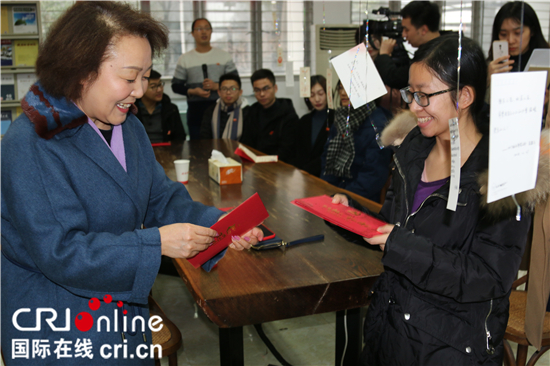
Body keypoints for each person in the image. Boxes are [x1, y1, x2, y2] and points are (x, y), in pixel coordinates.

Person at [1, 3, 261, 365]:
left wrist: (220, 227)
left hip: (121, 317)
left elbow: (161, 200)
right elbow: (62, 253)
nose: (140, 90)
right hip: (59, 323)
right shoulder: (31, 143)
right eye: (129, 76)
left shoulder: (127, 127)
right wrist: (155, 243)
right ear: (81, 71)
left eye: (147, 76)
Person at [333, 34, 538, 365]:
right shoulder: (414, 146)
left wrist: (399, 245)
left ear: (465, 95)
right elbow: (392, 225)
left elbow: (488, 277)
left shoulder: (504, 173)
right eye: (411, 93)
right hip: (391, 328)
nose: (414, 106)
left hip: (449, 348)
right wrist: (349, 215)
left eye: (425, 96)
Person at [320, 81, 393, 203]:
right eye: (340, 88)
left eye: (349, 88)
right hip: (335, 193)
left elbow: (373, 175)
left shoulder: (378, 126)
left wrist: (345, 196)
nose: (343, 93)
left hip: (361, 200)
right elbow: (327, 158)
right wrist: (327, 189)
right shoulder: (341, 117)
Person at [172, 18, 238, 140]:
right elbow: (176, 86)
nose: (203, 32)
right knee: (197, 150)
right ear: (192, 33)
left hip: (222, 112)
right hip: (196, 113)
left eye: (207, 28)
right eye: (199, 29)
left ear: (211, 31)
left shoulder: (224, 56)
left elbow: (236, 82)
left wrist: (217, 86)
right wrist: (193, 91)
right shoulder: (185, 59)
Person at [373, 1, 441, 90]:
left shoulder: (435, 56)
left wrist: (384, 55)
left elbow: (397, 78)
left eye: (406, 30)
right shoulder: (437, 46)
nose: (403, 35)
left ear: (424, 30)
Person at [240, 69, 299, 164]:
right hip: (255, 165)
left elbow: (287, 151)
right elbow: (247, 144)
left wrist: (262, 161)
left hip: (280, 168)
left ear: (275, 88)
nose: (262, 94)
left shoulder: (288, 114)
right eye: (257, 90)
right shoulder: (252, 112)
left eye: (266, 88)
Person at [487, 2, 550, 86]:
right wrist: (487, 82)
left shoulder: (546, 61)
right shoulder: (491, 67)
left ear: (532, 31)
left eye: (517, 33)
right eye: (503, 34)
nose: (511, 40)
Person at [293, 75, 334, 177]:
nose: (317, 99)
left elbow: (330, 155)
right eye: (312, 95)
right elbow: (297, 152)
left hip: (326, 175)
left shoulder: (336, 119)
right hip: (302, 175)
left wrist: (307, 170)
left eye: (321, 94)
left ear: (328, 93)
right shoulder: (304, 120)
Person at [135, 69, 186, 144]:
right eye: (153, 87)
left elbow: (180, 137)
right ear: (141, 88)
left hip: (167, 152)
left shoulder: (171, 109)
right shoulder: (132, 111)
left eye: (160, 85)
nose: (159, 90)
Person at [200, 73, 249, 140]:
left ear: (240, 92)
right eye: (224, 89)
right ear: (219, 92)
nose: (228, 92)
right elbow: (204, 137)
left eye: (233, 89)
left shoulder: (248, 112)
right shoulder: (211, 111)